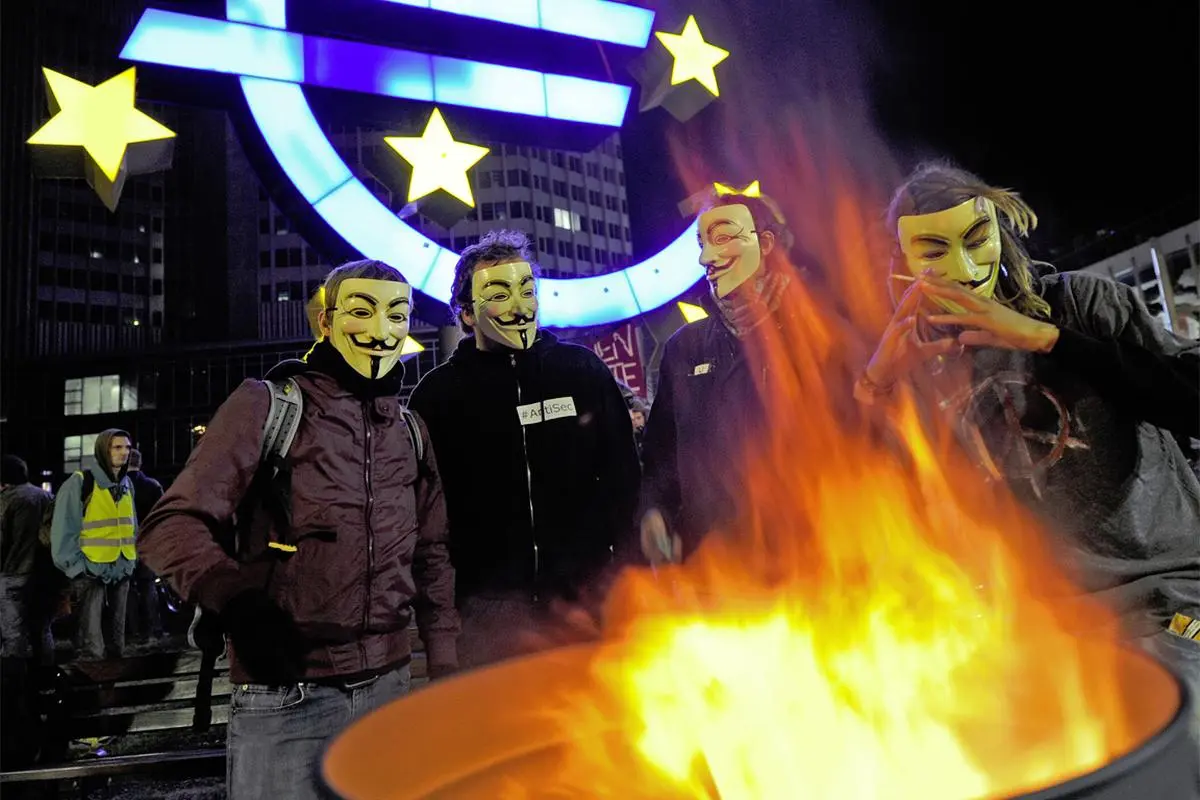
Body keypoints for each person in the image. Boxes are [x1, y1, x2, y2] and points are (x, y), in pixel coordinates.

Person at [858, 163, 1199, 689]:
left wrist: (1047, 339)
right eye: (933, 250)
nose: (966, 266)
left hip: (1167, 596)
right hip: (1045, 626)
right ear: (901, 262)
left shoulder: (1082, 305)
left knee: (1172, 733)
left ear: (1001, 229)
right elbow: (877, 513)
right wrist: (876, 387)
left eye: (977, 238)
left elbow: (1189, 396)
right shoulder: (920, 363)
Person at [138, 259, 458, 800]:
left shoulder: (409, 429)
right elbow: (171, 524)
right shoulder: (267, 405)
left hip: (391, 686)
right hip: (286, 694)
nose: (381, 331)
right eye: (362, 311)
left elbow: (431, 552)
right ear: (326, 322)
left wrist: (445, 660)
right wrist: (237, 601)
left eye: (397, 314)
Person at [409, 230, 640, 670]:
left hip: (583, 600)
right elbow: (424, 514)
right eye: (498, 294)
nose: (519, 306)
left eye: (528, 290)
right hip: (486, 613)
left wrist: (622, 578)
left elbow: (624, 480)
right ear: (466, 314)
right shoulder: (438, 396)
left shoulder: (581, 371)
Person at [638, 188, 800, 564]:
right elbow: (661, 452)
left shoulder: (812, 336)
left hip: (807, 562)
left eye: (723, 238)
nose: (706, 257)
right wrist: (654, 512)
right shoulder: (684, 348)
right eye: (702, 243)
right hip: (713, 565)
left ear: (767, 243)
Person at [51, 430, 136, 662]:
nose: (124, 452)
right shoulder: (80, 482)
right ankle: (90, 692)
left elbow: (131, 526)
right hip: (90, 570)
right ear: (102, 450)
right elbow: (63, 529)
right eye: (116, 447)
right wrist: (77, 568)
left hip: (120, 568)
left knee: (116, 645)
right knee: (91, 648)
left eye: (127, 447)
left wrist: (130, 562)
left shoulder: (127, 484)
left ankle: (109, 690)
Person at [125, 449, 164, 643]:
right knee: (149, 586)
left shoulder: (117, 488)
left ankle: (135, 631)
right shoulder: (153, 485)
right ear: (140, 463)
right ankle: (154, 630)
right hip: (148, 543)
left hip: (124, 545)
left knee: (129, 589)